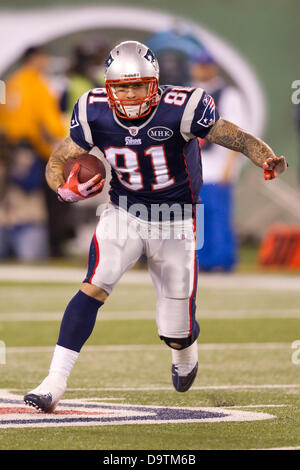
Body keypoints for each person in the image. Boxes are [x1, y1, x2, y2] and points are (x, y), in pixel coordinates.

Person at [24, 41, 287, 412]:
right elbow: (60, 158)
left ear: (156, 83)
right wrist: (63, 190)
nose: (130, 95)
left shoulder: (184, 107)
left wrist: (266, 157)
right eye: (122, 87)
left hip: (175, 219)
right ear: (109, 87)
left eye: (138, 85)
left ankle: (185, 352)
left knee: (175, 331)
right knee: (95, 284)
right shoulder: (92, 109)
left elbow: (237, 136)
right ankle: (54, 380)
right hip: (124, 212)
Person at [0, 45, 67, 259]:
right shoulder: (35, 84)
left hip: (14, 149)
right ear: (33, 59)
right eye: (43, 58)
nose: (45, 63)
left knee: (15, 199)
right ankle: (48, 246)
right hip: (32, 150)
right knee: (40, 199)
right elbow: (48, 122)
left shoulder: (12, 83)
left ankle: (14, 246)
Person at [189, 46, 249, 271]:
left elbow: (237, 132)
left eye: (206, 65)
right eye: (199, 65)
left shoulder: (228, 94)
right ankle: (200, 261)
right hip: (195, 166)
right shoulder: (188, 92)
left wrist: (230, 165)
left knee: (218, 214)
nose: (202, 70)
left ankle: (222, 260)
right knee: (196, 216)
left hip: (217, 165)